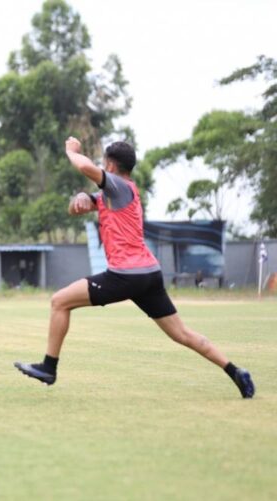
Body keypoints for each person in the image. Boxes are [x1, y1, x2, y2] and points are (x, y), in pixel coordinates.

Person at [13, 137, 255, 399]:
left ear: (110, 166)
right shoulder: (116, 193)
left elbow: (84, 167)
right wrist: (81, 197)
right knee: (181, 334)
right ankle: (235, 371)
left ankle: (49, 367)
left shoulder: (118, 185)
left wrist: (71, 151)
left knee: (59, 301)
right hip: (149, 274)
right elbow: (78, 208)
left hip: (125, 275)